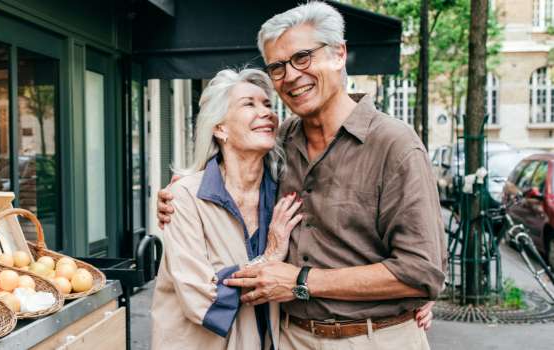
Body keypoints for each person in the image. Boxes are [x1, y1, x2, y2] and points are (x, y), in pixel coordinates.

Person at [156, 2, 445, 349]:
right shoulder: (280, 144)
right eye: (277, 66)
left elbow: (422, 272)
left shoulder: (394, 145)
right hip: (291, 338)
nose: (291, 75)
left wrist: (301, 281)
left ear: (339, 54)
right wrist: (183, 189)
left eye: (303, 57)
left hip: (374, 337)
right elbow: (231, 164)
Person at [151, 68, 300, 350]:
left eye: (268, 104)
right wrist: (268, 258)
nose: (266, 112)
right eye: (249, 104)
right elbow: (201, 297)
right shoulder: (185, 198)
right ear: (220, 128)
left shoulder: (283, 192)